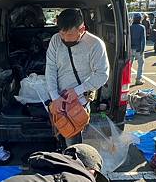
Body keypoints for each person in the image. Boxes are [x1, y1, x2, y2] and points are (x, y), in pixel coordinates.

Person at [46, 9, 110, 145]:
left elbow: (102, 74)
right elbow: (50, 69)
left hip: (78, 103)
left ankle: (73, 162)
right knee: (59, 134)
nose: (65, 39)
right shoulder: (55, 40)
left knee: (73, 141)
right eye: (62, 33)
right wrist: (55, 97)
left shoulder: (95, 44)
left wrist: (78, 91)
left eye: (69, 34)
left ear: (82, 29)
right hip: (58, 100)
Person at [130, 13, 147, 85]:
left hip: (130, 48)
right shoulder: (142, 27)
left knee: (128, 65)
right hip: (138, 49)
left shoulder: (130, 27)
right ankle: (138, 79)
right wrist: (142, 50)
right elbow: (143, 40)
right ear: (140, 19)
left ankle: (126, 79)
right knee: (140, 64)